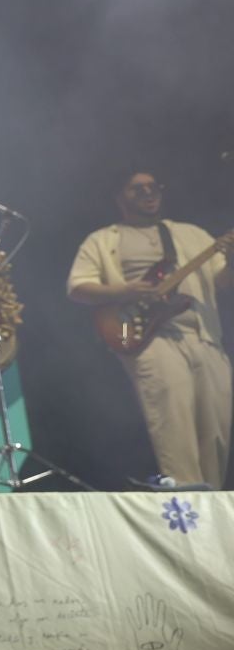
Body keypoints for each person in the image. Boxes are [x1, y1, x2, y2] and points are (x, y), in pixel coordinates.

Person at [67, 167, 231, 489]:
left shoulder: (191, 235)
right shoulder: (103, 240)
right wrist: (126, 291)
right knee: (172, 418)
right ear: (119, 197)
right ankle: (186, 502)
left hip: (203, 336)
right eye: (137, 189)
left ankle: (212, 500)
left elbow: (223, 282)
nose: (148, 193)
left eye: (153, 187)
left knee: (218, 426)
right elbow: (77, 288)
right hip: (139, 334)